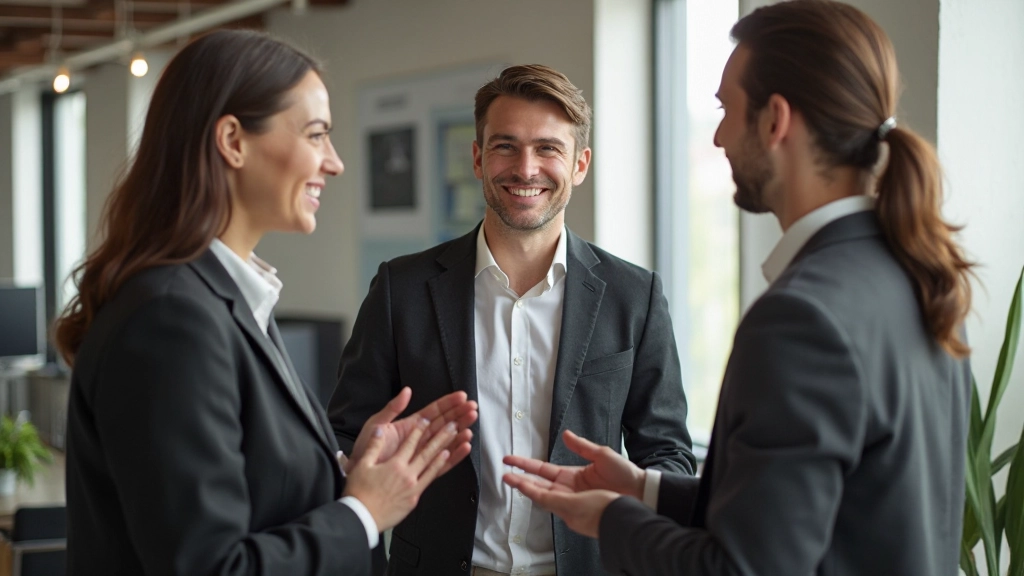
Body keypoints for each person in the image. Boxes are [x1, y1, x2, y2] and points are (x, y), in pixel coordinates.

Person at [502, 1, 974, 575]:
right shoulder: (917, 274)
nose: (720, 135)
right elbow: (813, 512)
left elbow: (740, 569)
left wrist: (609, 519)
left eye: (728, 109)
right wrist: (646, 490)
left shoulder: (803, 318)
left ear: (775, 120)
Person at [54, 30, 478, 576]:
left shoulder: (222, 299)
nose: (334, 163)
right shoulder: (171, 318)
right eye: (316, 135)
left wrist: (347, 469)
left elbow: (254, 490)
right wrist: (365, 512)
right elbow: (210, 566)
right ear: (233, 140)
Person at [328, 64, 695, 576]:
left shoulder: (635, 296)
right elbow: (346, 436)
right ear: (477, 158)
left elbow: (669, 456)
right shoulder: (401, 289)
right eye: (505, 146)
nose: (526, 168)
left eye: (548, 148)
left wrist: (626, 508)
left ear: (580, 164)